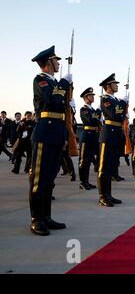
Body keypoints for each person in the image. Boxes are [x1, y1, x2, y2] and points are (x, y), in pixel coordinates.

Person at [29, 45, 71, 236]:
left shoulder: (55, 83)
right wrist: (63, 83)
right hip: (44, 132)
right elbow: (52, 99)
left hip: (56, 133)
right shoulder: (40, 80)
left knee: (50, 178)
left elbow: (62, 105)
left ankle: (46, 216)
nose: (58, 63)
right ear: (48, 63)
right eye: (56, 60)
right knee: (39, 179)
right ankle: (36, 219)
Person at [97, 73, 128, 207]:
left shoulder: (115, 101)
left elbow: (121, 117)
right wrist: (122, 104)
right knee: (103, 167)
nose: (117, 86)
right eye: (114, 84)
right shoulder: (105, 99)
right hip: (108, 133)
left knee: (111, 167)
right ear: (108, 86)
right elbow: (114, 114)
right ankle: (102, 196)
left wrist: (121, 106)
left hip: (116, 134)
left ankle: (109, 194)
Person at [78, 87, 102, 190]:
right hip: (86, 135)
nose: (93, 97)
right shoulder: (84, 109)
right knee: (84, 160)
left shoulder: (92, 110)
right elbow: (91, 120)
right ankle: (83, 182)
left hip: (93, 135)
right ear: (86, 98)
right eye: (91, 96)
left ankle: (87, 181)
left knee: (90, 159)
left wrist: (96, 115)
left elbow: (97, 121)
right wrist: (97, 113)